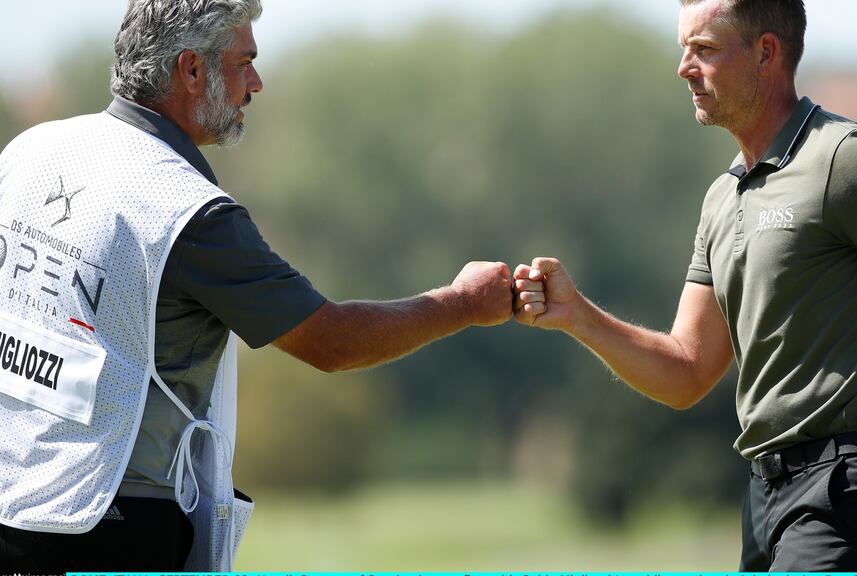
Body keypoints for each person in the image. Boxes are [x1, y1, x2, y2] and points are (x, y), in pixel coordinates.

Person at [0, 0, 512, 572]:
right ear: (192, 70)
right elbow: (332, 341)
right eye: (244, 62)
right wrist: (466, 302)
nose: (257, 83)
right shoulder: (190, 212)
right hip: (111, 527)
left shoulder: (29, 151)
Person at [513, 0, 857, 570]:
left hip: (852, 480)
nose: (684, 66)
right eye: (684, 48)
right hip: (765, 494)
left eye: (704, 49)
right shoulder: (721, 198)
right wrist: (578, 314)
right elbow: (686, 370)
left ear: (765, 53)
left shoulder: (848, 160)